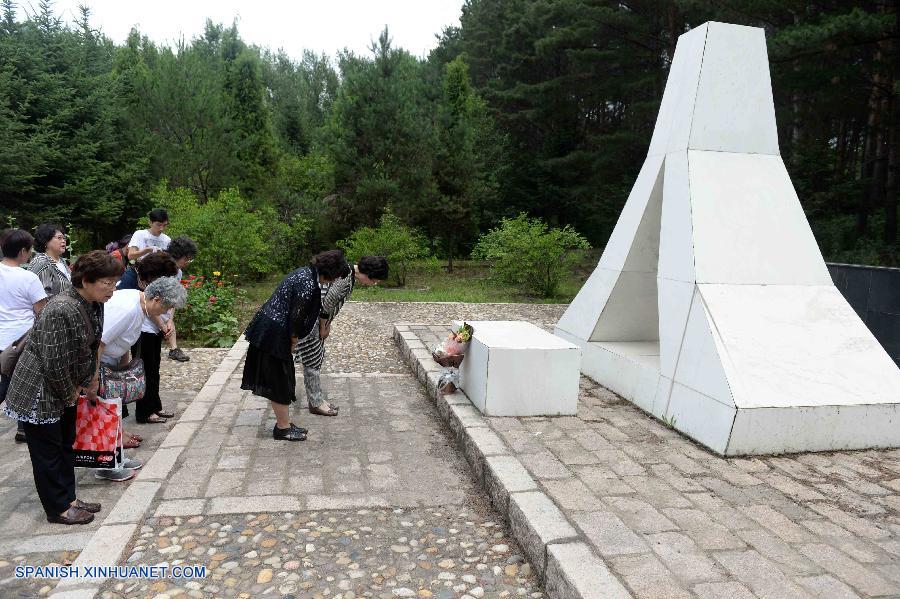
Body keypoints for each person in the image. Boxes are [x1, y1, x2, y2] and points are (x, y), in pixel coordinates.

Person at [3, 250, 123, 525]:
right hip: (41, 389)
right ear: (86, 279)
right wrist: (71, 390)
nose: (112, 290)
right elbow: (53, 362)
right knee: (48, 452)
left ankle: (69, 497)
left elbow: (94, 343)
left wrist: (89, 381)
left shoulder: (93, 302)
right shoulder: (60, 308)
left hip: (67, 387)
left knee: (66, 445)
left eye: (115, 283)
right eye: (108, 283)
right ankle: (57, 507)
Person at [242, 250, 349, 441]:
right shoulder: (309, 284)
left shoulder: (305, 273)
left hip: (270, 328)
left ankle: (283, 424)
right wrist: (293, 342)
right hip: (274, 334)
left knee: (280, 378)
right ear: (330, 274)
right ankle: (282, 429)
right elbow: (296, 318)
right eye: (334, 278)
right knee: (280, 381)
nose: (332, 283)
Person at [96, 277, 186, 481]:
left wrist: (123, 369)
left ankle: (115, 457)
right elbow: (98, 344)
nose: (164, 313)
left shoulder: (141, 307)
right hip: (99, 363)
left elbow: (123, 342)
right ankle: (105, 464)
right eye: (166, 307)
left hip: (110, 362)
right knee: (103, 412)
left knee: (112, 410)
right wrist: (93, 379)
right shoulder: (128, 309)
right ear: (156, 299)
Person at [295, 255, 388, 416]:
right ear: (369, 274)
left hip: (313, 318)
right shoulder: (345, 277)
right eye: (375, 280)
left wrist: (327, 323)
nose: (375, 283)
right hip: (311, 321)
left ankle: (316, 399)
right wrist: (324, 326)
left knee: (314, 359)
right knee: (312, 361)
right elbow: (326, 303)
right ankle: (315, 403)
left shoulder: (347, 272)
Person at [116, 253, 179, 424]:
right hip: (141, 329)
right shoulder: (130, 279)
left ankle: (154, 406)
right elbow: (146, 307)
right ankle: (144, 411)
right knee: (144, 370)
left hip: (151, 328)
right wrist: (161, 325)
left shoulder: (146, 279)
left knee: (153, 370)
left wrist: (165, 323)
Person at [0, 230, 49, 443]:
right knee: (23, 383)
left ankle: (22, 428)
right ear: (22, 251)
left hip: (2, 339)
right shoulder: (28, 277)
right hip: (22, 340)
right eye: (29, 251)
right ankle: (24, 428)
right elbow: (41, 311)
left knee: (9, 380)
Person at [158, 236, 197, 363]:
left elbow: (173, 296)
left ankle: (174, 349)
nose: (187, 262)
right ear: (177, 255)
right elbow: (149, 302)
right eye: (186, 259)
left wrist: (170, 319)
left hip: (163, 307)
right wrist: (162, 324)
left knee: (168, 319)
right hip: (149, 309)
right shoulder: (159, 269)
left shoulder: (178, 272)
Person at [28, 223, 72, 297]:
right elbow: (41, 296)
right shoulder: (41, 262)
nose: (63, 241)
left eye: (64, 238)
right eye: (59, 238)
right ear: (46, 241)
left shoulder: (61, 261)